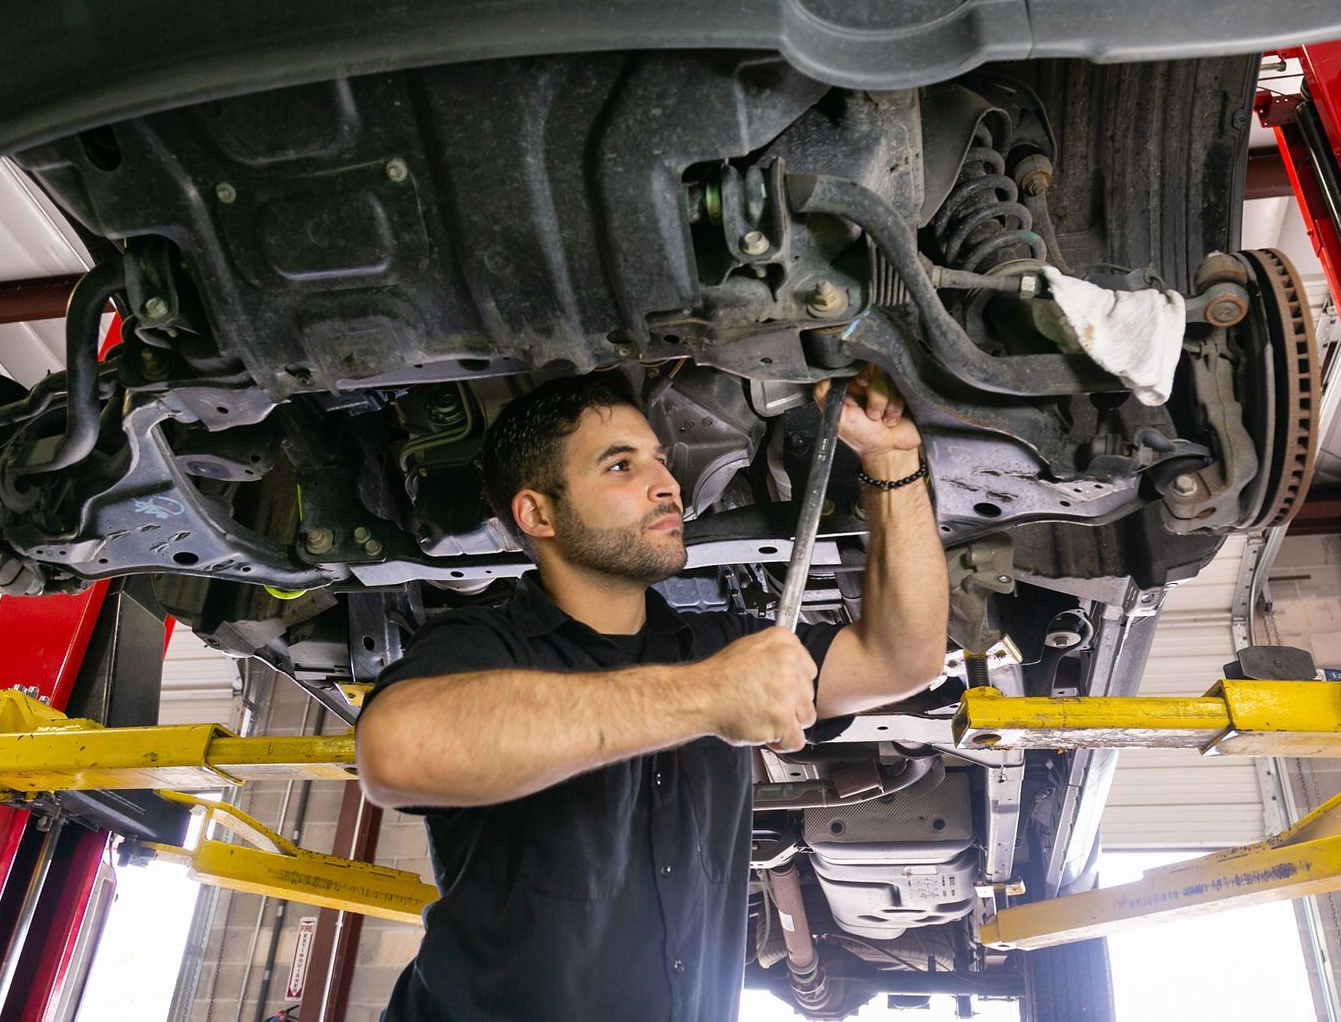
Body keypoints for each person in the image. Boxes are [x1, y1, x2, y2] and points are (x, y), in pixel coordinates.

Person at [356, 365, 948, 1021]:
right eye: (620, 465)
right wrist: (702, 696)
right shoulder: (487, 646)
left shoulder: (718, 647)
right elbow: (395, 751)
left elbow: (901, 657)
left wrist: (891, 458)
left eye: (661, 460)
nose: (666, 483)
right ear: (537, 511)